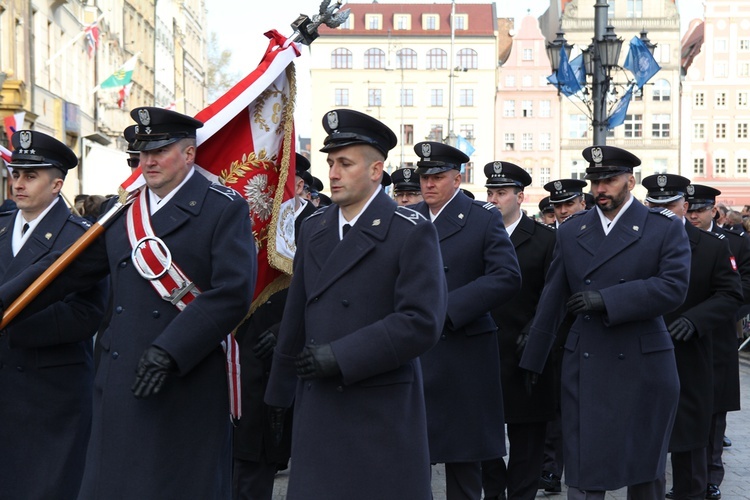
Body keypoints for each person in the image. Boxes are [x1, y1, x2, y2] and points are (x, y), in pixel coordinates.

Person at [0, 107, 257, 499]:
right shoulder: (122, 211)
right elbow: (67, 272)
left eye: (159, 151)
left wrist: (170, 350)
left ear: (189, 154)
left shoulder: (223, 207)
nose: (147, 161)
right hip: (120, 382)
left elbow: (232, 294)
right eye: (142, 152)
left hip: (181, 379)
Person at [264, 109, 448, 499]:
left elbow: (422, 321)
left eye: (345, 163)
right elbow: (297, 312)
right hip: (318, 404)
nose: (332, 173)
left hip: (378, 402)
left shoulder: (409, 230)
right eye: (331, 163)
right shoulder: (315, 226)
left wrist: (342, 356)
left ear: (376, 170)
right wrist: (278, 396)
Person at [520, 146, 692, 499]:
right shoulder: (571, 232)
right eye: (595, 181)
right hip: (587, 361)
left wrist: (608, 299)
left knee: (645, 470)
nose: (600, 188)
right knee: (585, 467)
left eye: (609, 180)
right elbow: (552, 298)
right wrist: (533, 357)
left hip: (645, 363)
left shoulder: (662, 228)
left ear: (631, 180)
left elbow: (674, 288)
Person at [410, 141, 521, 500]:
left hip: (463, 353)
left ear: (458, 178)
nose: (428, 184)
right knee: (410, 461)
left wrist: (445, 309)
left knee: (464, 466)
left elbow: (506, 276)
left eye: (437, 177)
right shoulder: (408, 218)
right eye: (424, 177)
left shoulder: (481, 217)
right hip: (414, 351)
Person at [0, 130, 106, 499]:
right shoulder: (1, 228)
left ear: (57, 183)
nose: (18, 184)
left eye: (31, 176)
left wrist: (11, 328)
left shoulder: (78, 238)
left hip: (49, 392)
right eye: (15, 174)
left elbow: (86, 312)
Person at [643, 175, 741, 500]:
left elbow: (730, 294)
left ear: (684, 207)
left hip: (689, 354)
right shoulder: (634, 243)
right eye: (654, 206)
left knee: (689, 445)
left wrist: (696, 320)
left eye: (670, 205)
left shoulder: (712, 246)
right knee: (644, 445)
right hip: (641, 354)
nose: (662, 213)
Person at [232, 153, 316, 500]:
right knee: (241, 454)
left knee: (275, 452)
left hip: (289, 354)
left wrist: (285, 331)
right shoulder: (246, 220)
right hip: (240, 351)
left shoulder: (318, 224)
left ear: (296, 185)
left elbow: (322, 292)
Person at [479, 161, 556, 500]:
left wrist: (536, 335)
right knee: (484, 438)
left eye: (502, 193)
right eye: (490, 193)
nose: (494, 200)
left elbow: (554, 296)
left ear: (520, 196)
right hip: (484, 351)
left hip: (527, 354)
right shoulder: (478, 235)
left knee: (527, 440)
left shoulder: (545, 239)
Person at [681, 183, 747, 500]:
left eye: (699, 210)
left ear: (713, 211)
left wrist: (712, 313)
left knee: (713, 411)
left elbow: (741, 289)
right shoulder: (674, 241)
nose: (693, 215)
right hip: (683, 336)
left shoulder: (732, 243)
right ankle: (688, 478)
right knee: (686, 410)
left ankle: (710, 476)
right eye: (689, 209)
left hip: (717, 336)